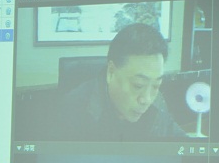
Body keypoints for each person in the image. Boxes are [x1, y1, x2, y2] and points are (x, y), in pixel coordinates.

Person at [58, 23, 187, 140]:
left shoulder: (157, 102)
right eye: (138, 85)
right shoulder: (74, 109)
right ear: (111, 72)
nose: (147, 99)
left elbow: (179, 141)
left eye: (156, 86)